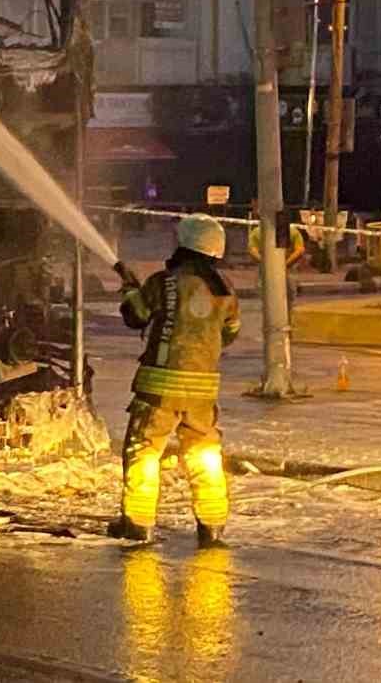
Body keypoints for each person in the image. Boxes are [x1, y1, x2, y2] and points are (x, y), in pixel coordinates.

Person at [112, 214, 241, 548]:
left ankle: (138, 525)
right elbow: (228, 334)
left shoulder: (164, 282)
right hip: (203, 392)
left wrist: (129, 288)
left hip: (159, 388)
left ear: (184, 246)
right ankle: (211, 526)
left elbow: (135, 315)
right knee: (204, 455)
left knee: (144, 452)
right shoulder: (225, 291)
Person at [247, 200, 305, 302]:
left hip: (269, 271)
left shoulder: (258, 231)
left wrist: (265, 263)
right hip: (285, 270)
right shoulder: (290, 231)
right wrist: (285, 264)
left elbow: (252, 250)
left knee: (268, 298)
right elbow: (300, 250)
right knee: (287, 298)